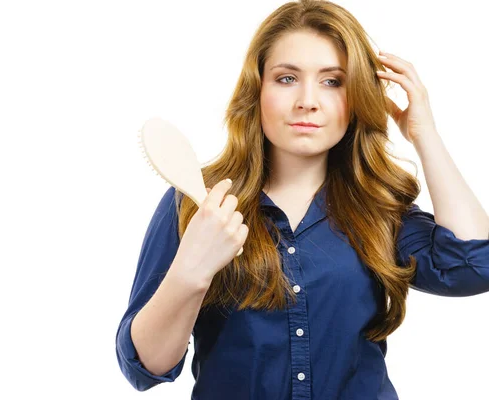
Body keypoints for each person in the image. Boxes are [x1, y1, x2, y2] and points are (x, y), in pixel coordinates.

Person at [115, 0, 489, 398]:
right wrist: (192, 271)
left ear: (358, 95)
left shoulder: (379, 208)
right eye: (287, 78)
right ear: (257, 88)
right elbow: (145, 367)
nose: (307, 100)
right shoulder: (197, 203)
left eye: (333, 81)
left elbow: (473, 265)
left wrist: (424, 133)